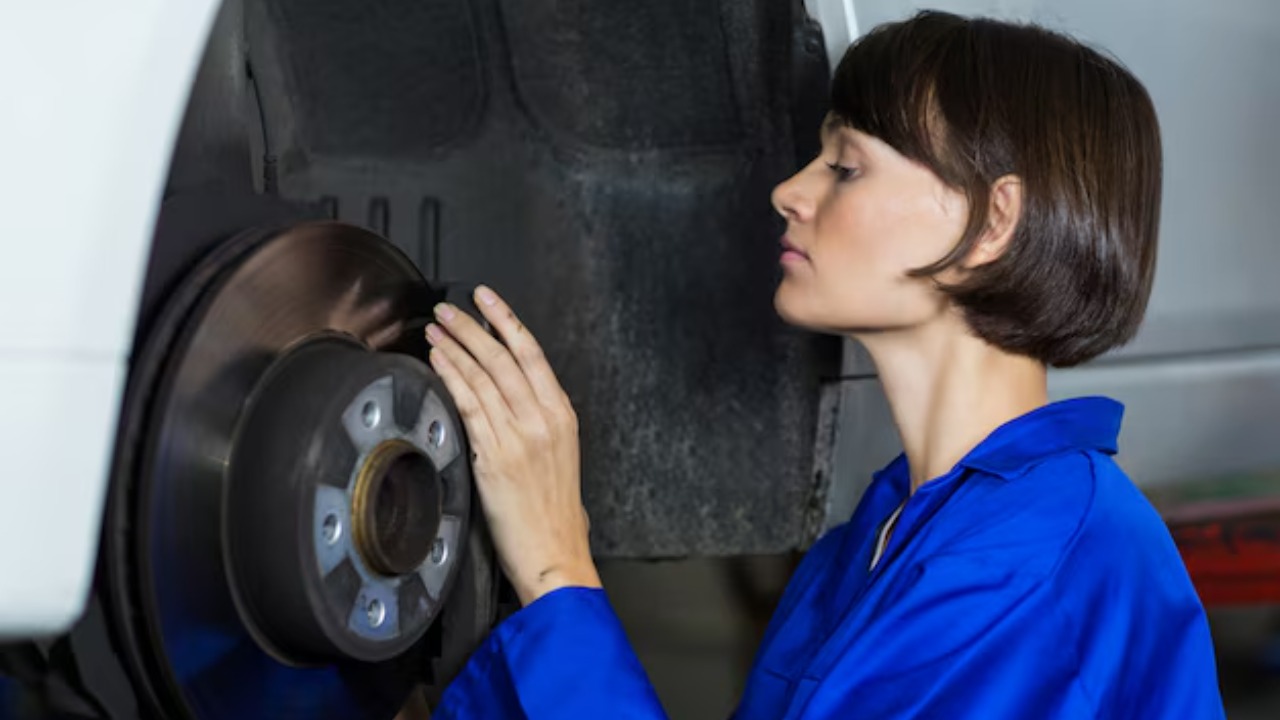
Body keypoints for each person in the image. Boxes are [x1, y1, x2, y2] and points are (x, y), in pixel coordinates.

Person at [422, 10, 1225, 719]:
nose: (788, 191)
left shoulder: (1030, 569)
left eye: (845, 166)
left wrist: (557, 564)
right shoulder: (883, 534)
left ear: (991, 224)